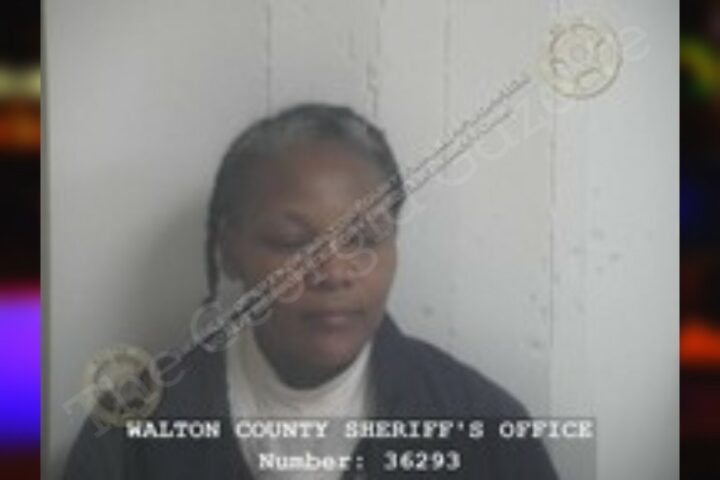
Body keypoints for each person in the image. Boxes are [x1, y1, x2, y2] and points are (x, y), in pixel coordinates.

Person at [63, 104, 559, 479]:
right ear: (229, 251)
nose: (335, 273)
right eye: (292, 242)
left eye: (363, 240)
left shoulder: (483, 427)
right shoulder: (133, 431)